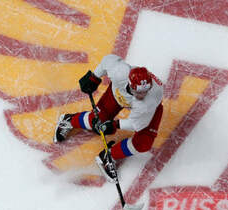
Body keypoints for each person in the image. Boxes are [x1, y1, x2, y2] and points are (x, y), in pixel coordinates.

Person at [53, 54, 163, 183]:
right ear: (129, 83)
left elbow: (135, 124)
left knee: (143, 143)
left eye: (145, 91)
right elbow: (107, 60)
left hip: (148, 111)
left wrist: (113, 125)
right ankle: (68, 120)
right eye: (138, 92)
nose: (142, 95)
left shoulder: (148, 101)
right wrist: (94, 77)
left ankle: (108, 156)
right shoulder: (120, 72)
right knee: (96, 122)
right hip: (117, 95)